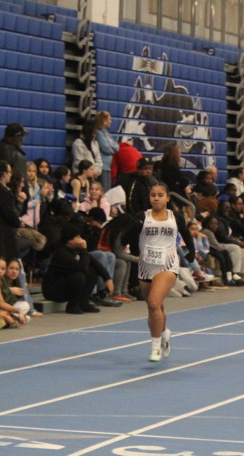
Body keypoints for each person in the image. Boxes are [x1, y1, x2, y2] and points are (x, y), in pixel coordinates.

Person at [132, 182, 193, 362]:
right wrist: (133, 231)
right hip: (146, 266)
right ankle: (165, 332)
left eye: (160, 195)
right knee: (155, 308)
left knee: (153, 303)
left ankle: (155, 347)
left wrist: (191, 253)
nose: (156, 198)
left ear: (167, 198)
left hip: (168, 265)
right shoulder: (142, 217)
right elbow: (129, 236)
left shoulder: (176, 217)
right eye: (153, 195)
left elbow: (186, 234)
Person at [42, 223, 113, 316]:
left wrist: (107, 278)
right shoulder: (61, 252)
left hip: (66, 284)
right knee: (79, 276)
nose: (81, 240)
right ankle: (72, 305)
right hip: (54, 290)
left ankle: (83, 303)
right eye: (77, 237)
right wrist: (84, 250)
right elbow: (83, 268)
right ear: (69, 240)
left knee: (92, 271)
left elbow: (95, 263)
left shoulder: (76, 249)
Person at [94, 111, 118, 190]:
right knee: (103, 190)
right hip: (102, 166)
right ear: (104, 120)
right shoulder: (99, 133)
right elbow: (105, 148)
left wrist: (111, 146)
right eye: (109, 119)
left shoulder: (107, 133)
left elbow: (117, 147)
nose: (111, 121)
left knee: (107, 191)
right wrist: (112, 147)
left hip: (108, 166)